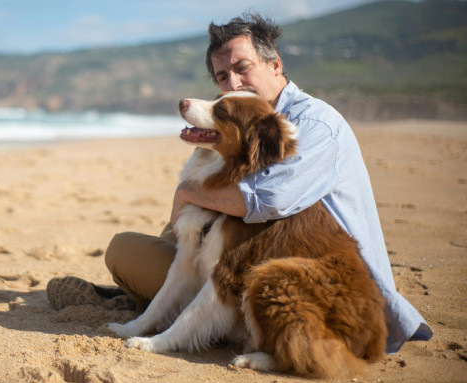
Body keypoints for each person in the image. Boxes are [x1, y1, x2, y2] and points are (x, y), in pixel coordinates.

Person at [46, 13, 432, 354]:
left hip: (316, 290)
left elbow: (268, 198)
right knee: (163, 236)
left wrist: (187, 193)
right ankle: (146, 301)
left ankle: (139, 303)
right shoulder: (251, 117)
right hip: (252, 253)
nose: (234, 81)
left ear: (275, 64)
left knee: (135, 251)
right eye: (222, 77)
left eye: (242, 68)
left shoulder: (312, 124)